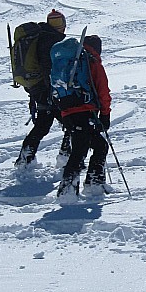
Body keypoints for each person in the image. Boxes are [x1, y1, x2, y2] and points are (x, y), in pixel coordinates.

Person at [56, 35, 112, 201]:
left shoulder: (69, 62)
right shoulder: (92, 62)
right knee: (80, 151)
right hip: (85, 111)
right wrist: (105, 115)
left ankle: (93, 184)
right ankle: (67, 191)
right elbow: (103, 92)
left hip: (67, 112)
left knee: (99, 145)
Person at [15, 10, 70, 166]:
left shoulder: (42, 36)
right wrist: (54, 92)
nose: (59, 27)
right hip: (47, 90)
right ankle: (65, 157)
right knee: (69, 122)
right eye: (57, 23)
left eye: (59, 22)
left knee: (43, 124)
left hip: (38, 89)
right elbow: (47, 67)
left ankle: (25, 159)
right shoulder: (50, 40)